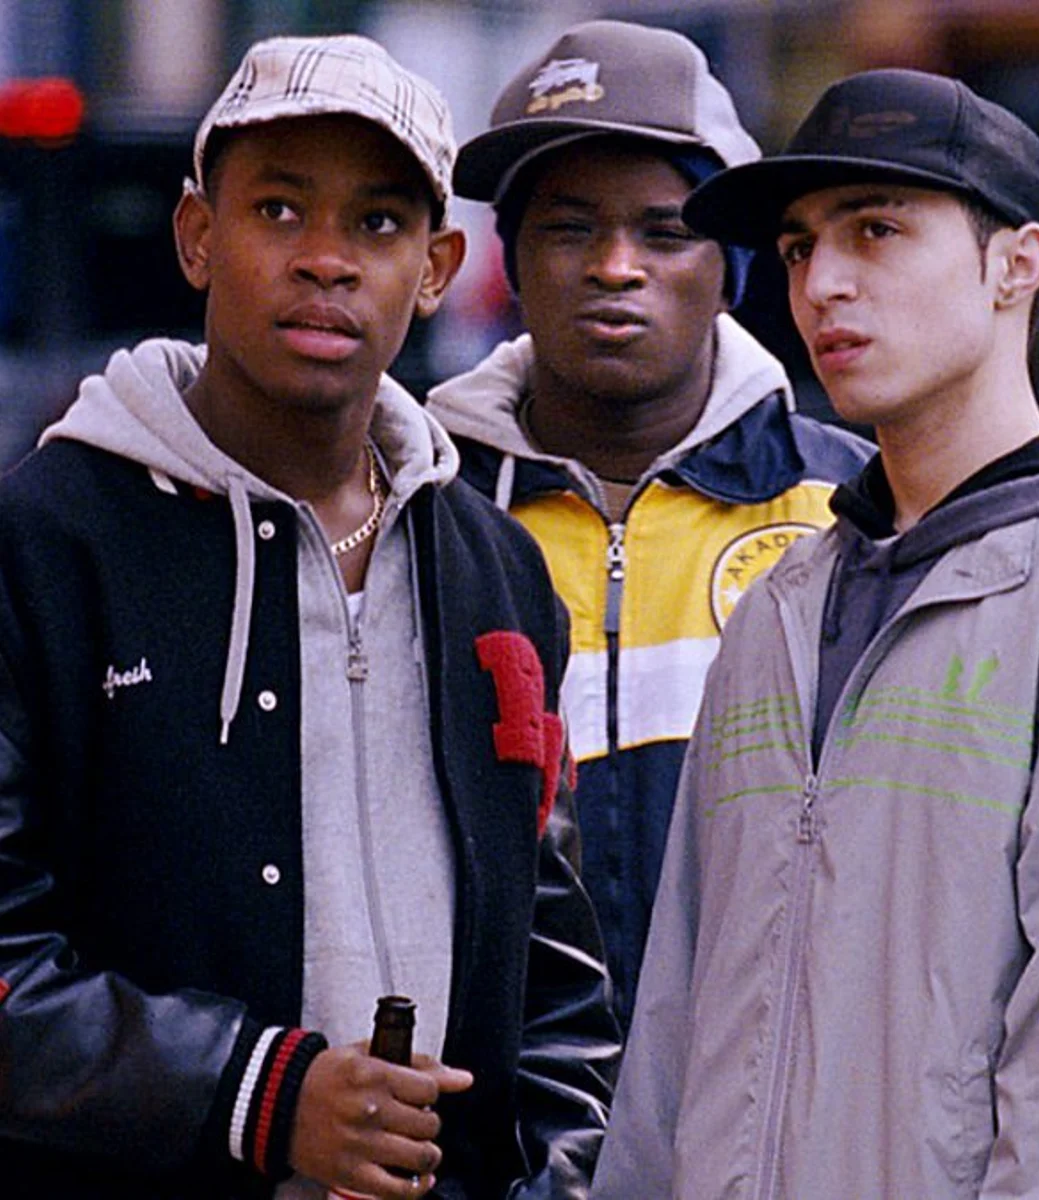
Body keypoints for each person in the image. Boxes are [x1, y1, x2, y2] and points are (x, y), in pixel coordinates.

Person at [0, 33, 620, 1200]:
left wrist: (556, 1180)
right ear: (198, 235)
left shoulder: (496, 571)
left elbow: (555, 978)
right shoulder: (46, 542)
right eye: (278, 210)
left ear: (436, 268)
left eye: (378, 224)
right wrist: (261, 1097)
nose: (327, 260)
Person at [592, 67, 1039, 1198]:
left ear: (1018, 264)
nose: (823, 283)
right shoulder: (781, 606)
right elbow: (675, 1031)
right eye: (799, 248)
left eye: (876, 230)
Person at [425, 20, 871, 1031]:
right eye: (568, 228)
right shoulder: (419, 512)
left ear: (732, 269)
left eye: (665, 233)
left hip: (769, 1093)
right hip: (499, 1107)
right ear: (511, 260)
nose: (616, 266)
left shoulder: (853, 511)